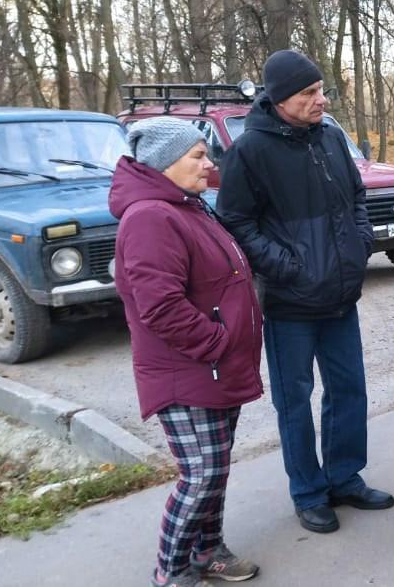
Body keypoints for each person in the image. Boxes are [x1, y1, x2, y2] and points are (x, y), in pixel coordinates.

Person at [217, 50, 393, 534]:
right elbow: (235, 221)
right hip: (290, 303)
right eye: (309, 94)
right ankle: (309, 492)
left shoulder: (332, 137)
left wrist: (360, 244)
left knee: (348, 389)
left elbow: (357, 197)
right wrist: (287, 267)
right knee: (295, 401)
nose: (322, 100)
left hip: (341, 296)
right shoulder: (249, 152)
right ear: (279, 100)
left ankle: (344, 478)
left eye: (321, 90)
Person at [111, 117, 262, 587]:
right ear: (164, 163)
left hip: (215, 368)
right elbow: (160, 306)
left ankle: (208, 549)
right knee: (201, 473)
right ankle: (172, 571)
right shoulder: (151, 217)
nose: (208, 163)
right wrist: (218, 343)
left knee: (214, 469)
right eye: (198, 156)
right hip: (190, 371)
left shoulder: (186, 206)